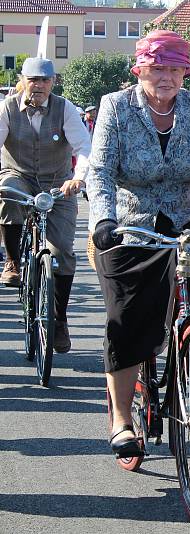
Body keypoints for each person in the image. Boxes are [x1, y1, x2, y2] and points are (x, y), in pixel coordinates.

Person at [85, 30, 190, 458]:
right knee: (126, 318)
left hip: (184, 228)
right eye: (157, 68)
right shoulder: (116, 107)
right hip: (129, 227)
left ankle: (187, 357)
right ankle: (122, 417)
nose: (166, 77)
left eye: (175, 69)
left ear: (185, 72)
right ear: (139, 69)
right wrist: (103, 220)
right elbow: (100, 170)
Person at [0, 57, 91, 353]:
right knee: (8, 192)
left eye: (45, 80)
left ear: (53, 82)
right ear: (23, 80)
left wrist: (78, 178)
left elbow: (83, 147)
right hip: (19, 175)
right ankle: (13, 260)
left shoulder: (65, 109)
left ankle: (60, 319)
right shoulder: (8, 108)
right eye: (33, 79)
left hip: (58, 184)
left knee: (62, 250)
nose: (38, 86)